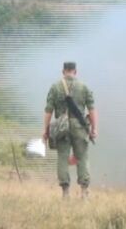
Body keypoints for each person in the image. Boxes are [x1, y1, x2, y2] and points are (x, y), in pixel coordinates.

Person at [43, 61, 97, 199]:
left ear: (63, 71)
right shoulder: (83, 87)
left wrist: (46, 130)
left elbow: (48, 111)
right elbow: (91, 110)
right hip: (79, 127)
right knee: (82, 157)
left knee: (62, 157)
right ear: (75, 71)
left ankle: (65, 192)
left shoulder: (55, 87)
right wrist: (94, 129)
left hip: (61, 127)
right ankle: (84, 193)